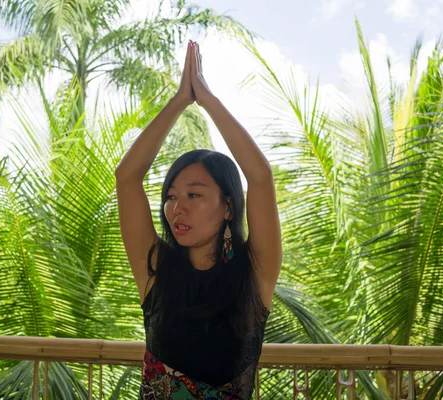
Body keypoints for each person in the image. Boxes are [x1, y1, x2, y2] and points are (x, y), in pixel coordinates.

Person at [115, 39, 282, 400]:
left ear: (228, 207)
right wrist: (179, 101)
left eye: (194, 195)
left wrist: (206, 99)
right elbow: (127, 177)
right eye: (171, 196)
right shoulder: (155, 269)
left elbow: (260, 176)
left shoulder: (255, 272)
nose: (178, 208)